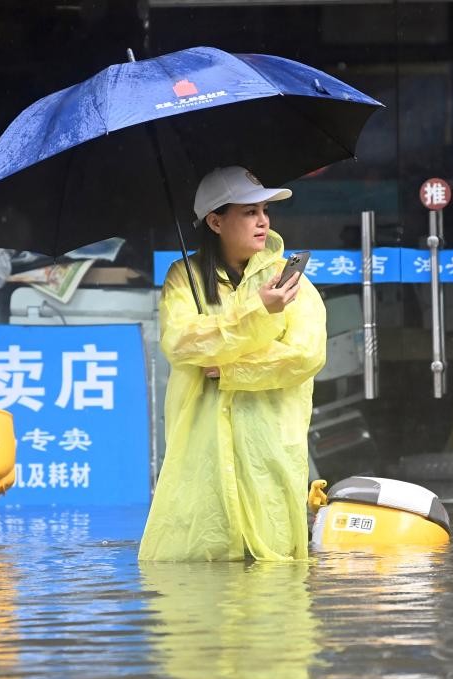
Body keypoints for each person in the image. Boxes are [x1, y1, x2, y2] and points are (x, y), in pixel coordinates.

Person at [138, 166, 327, 562]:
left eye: (264, 210)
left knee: (277, 575)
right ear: (215, 221)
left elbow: (305, 355)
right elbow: (181, 341)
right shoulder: (183, 278)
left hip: (270, 448)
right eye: (249, 212)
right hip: (201, 449)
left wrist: (229, 370)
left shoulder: (289, 282)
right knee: (198, 571)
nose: (263, 221)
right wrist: (259, 312)